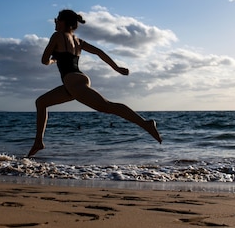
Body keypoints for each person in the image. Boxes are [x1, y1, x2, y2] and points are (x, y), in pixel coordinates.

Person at [28, 9, 162, 156]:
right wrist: (116, 68)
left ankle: (145, 123)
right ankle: (38, 142)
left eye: (57, 20)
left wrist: (53, 60)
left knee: (107, 106)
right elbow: (99, 52)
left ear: (63, 22)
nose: (55, 22)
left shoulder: (57, 36)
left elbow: (44, 60)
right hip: (74, 82)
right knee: (41, 102)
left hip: (73, 82)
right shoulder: (78, 41)